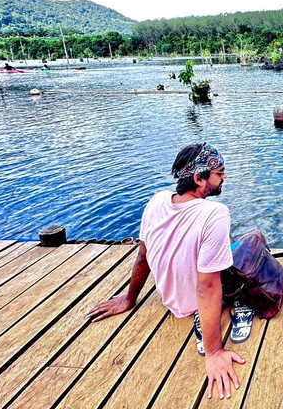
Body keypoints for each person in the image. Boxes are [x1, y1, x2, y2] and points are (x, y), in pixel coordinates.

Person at [87, 142, 244, 401]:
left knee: (223, 241)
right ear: (198, 178)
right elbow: (207, 287)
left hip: (171, 300)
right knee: (255, 239)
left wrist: (129, 299)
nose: (224, 176)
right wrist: (214, 351)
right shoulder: (215, 213)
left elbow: (142, 257)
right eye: (219, 172)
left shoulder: (157, 200)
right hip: (198, 302)